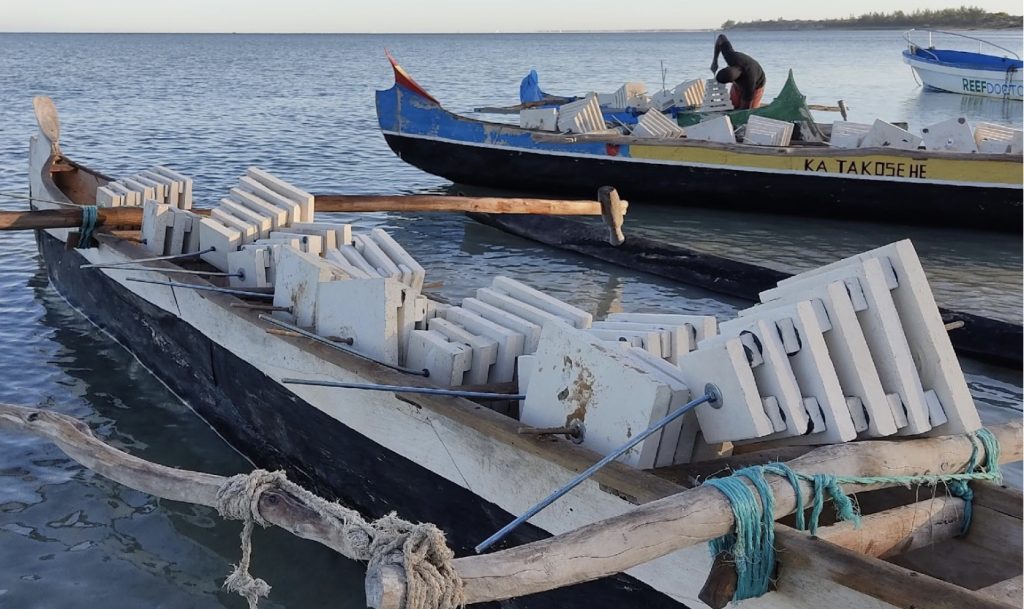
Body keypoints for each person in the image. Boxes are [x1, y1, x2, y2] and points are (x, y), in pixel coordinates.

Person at [710, 34, 766, 110]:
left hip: (758, 83)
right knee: (733, 106)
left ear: (732, 81)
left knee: (750, 111)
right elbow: (721, 37)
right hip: (744, 73)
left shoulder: (749, 83)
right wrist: (715, 60)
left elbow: (745, 110)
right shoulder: (730, 57)